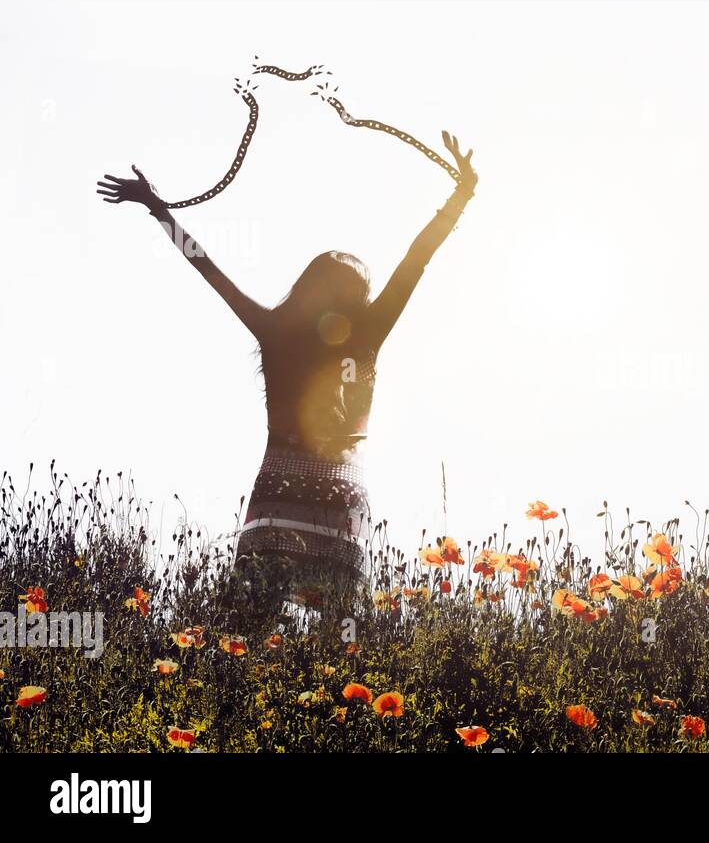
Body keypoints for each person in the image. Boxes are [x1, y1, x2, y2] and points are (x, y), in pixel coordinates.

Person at [96, 131, 478, 631]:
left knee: (248, 628)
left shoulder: (276, 331)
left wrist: (157, 209)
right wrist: (460, 195)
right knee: (341, 632)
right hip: (342, 493)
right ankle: (337, 704)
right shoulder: (366, 333)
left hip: (279, 486)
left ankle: (239, 693)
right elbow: (416, 259)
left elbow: (207, 267)